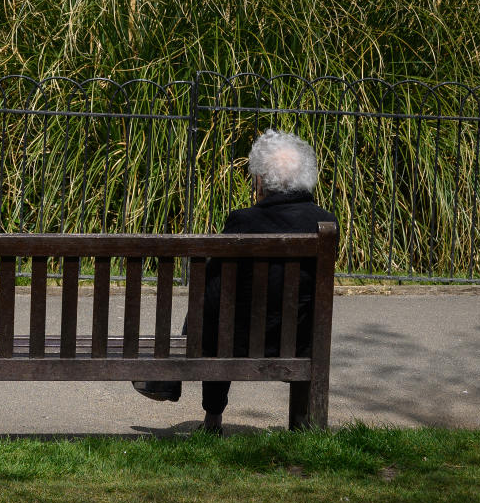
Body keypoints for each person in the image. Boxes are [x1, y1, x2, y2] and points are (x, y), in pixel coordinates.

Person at [133, 129, 337, 434]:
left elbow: (215, 297)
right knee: (224, 312)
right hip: (298, 343)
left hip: (236, 342)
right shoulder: (326, 222)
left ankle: (207, 412)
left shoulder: (245, 222)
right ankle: (305, 424)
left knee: (213, 306)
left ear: (259, 181)